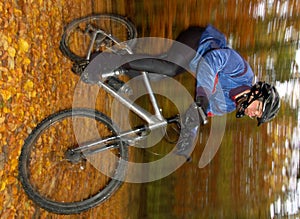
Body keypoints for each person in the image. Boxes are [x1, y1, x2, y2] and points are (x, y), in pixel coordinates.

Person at [83, 25, 281, 160]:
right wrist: (202, 97)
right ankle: (104, 60)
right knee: (170, 68)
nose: (253, 114)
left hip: (189, 60)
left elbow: (199, 114)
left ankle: (116, 53)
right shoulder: (242, 71)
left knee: (149, 80)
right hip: (199, 40)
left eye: (256, 116)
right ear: (257, 94)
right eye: (258, 109)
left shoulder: (229, 105)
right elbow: (210, 62)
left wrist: (187, 139)